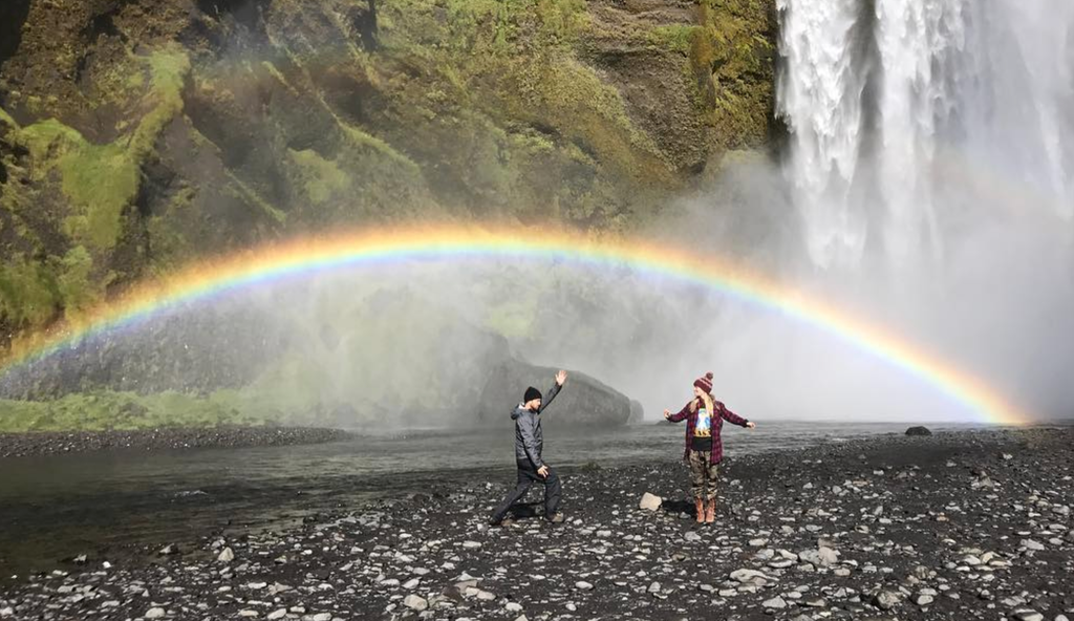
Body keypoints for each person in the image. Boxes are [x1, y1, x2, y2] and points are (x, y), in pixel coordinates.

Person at [664, 371, 756, 524]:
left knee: (712, 481)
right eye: (694, 387)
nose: (694, 390)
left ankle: (710, 509)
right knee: (697, 482)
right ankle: (700, 510)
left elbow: (730, 416)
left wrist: (745, 423)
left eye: (697, 388)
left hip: (712, 450)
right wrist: (669, 416)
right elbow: (678, 417)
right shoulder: (692, 406)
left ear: (705, 390)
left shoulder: (717, 407)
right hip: (694, 450)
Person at [489, 370, 568, 526]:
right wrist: (538, 465)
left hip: (522, 459)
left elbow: (546, 399)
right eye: (537, 400)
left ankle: (496, 516)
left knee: (521, 488)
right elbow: (529, 443)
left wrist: (557, 386)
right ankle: (551, 514)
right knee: (552, 480)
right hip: (528, 460)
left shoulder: (531, 410)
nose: (540, 403)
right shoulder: (524, 418)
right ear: (530, 401)